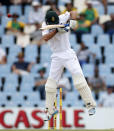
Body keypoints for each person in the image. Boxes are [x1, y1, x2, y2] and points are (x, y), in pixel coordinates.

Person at [38, 11, 96, 120]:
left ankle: (90, 105)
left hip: (68, 53)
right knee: (50, 85)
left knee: (79, 80)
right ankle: (50, 110)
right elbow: (45, 38)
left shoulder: (62, 18)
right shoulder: (45, 25)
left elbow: (73, 12)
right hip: (56, 55)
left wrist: (72, 22)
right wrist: (57, 30)